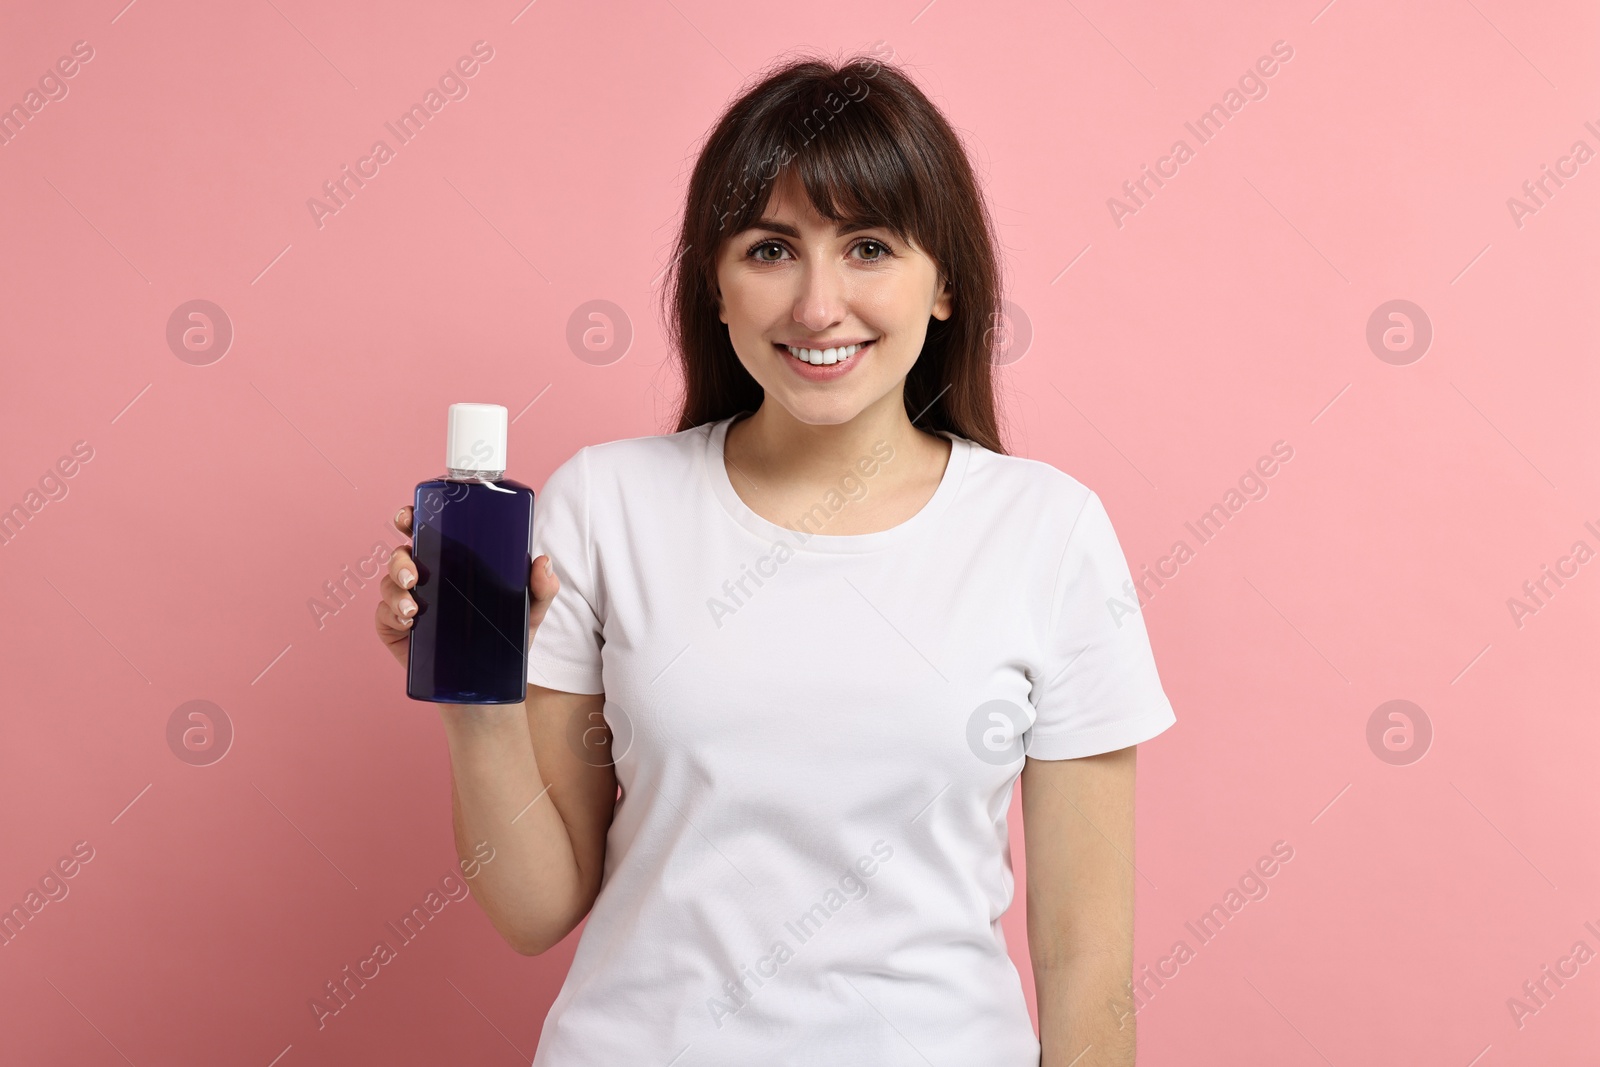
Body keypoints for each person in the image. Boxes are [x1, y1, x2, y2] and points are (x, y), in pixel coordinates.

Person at [375, 50, 1175, 1067]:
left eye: (870, 247)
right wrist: (470, 690)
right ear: (713, 286)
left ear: (945, 285)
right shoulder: (606, 504)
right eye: (769, 249)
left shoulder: (1047, 531)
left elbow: (1086, 966)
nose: (816, 305)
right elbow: (536, 907)